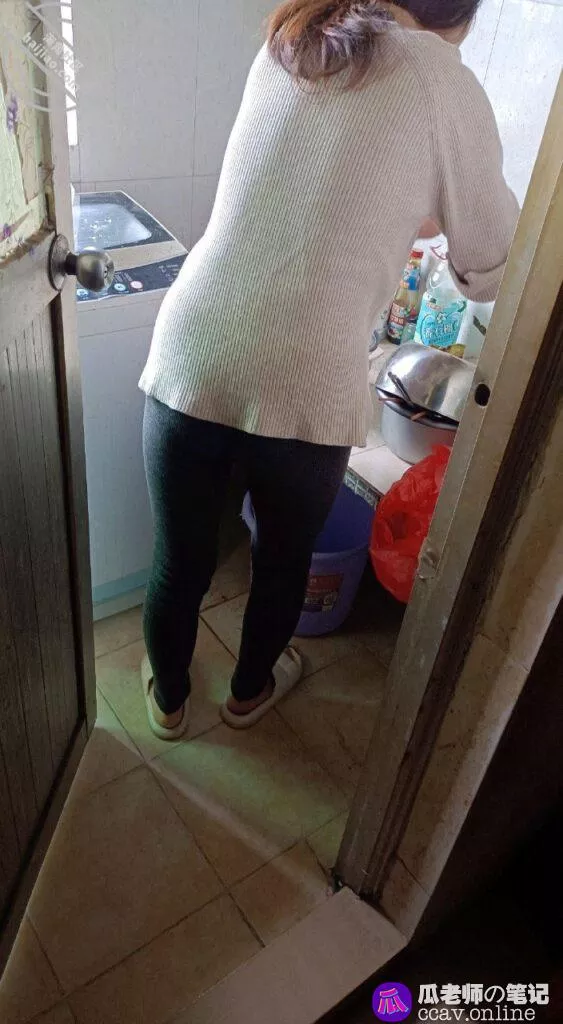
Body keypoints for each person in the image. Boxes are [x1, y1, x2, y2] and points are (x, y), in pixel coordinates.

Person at [139, 0, 519, 739]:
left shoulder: (294, 37)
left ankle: (168, 703)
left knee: (178, 561)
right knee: (283, 564)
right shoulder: (440, 76)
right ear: (460, 15)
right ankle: (248, 696)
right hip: (307, 377)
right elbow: (493, 265)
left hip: (193, 346)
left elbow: (310, 185)